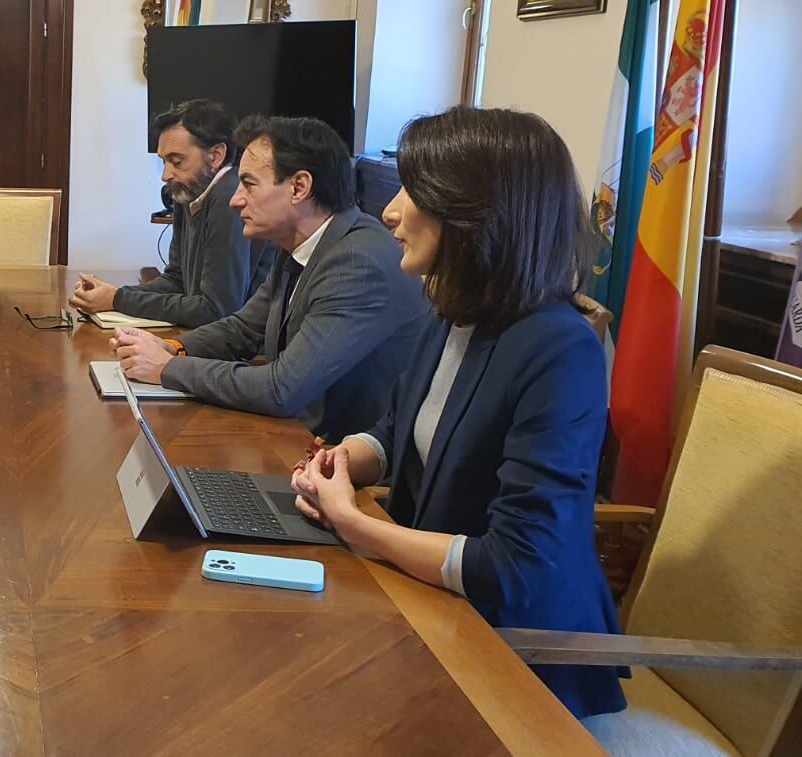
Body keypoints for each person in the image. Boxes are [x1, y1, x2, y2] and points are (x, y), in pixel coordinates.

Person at [290, 107, 626, 719]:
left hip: (519, 657)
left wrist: (357, 526)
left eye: (412, 192)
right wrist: (345, 461)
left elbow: (514, 568)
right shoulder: (451, 312)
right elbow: (400, 432)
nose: (389, 211)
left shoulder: (560, 349)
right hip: (434, 615)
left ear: (474, 212)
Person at [111, 115, 429, 441]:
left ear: (299, 187)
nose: (235, 199)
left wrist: (166, 368)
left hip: (344, 465)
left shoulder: (357, 263)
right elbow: (244, 328)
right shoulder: (301, 243)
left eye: (248, 184)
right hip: (301, 441)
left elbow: (282, 389)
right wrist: (171, 347)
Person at [71, 99, 270, 328]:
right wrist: (113, 295)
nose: (166, 175)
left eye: (177, 161)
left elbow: (217, 309)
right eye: (164, 161)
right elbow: (176, 280)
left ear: (216, 155)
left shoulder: (230, 198)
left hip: (248, 353)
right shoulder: (190, 190)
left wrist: (117, 300)